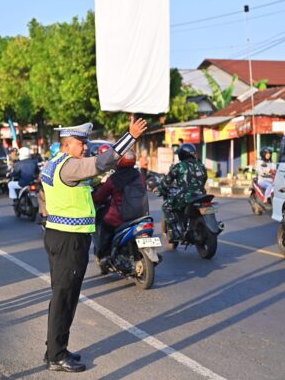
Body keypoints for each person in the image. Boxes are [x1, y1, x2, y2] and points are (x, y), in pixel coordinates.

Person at [40, 117, 147, 373]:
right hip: (70, 239)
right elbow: (102, 162)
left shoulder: (53, 163)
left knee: (61, 296)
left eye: (85, 142)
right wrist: (129, 137)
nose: (85, 147)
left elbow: (75, 188)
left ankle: (56, 348)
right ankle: (55, 356)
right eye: (80, 143)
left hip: (57, 234)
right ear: (67, 145)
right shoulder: (70, 165)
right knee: (65, 297)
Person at [92, 148, 146, 260]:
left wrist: (95, 198)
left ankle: (105, 255)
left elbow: (100, 196)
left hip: (119, 217)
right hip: (141, 216)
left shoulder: (114, 178)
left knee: (105, 225)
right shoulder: (139, 176)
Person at [160, 143, 207, 241]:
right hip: (202, 195)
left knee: (166, 206)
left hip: (186, 196)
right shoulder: (201, 165)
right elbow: (204, 179)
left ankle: (176, 233)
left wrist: (160, 189)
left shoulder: (179, 166)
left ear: (181, 154)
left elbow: (167, 181)